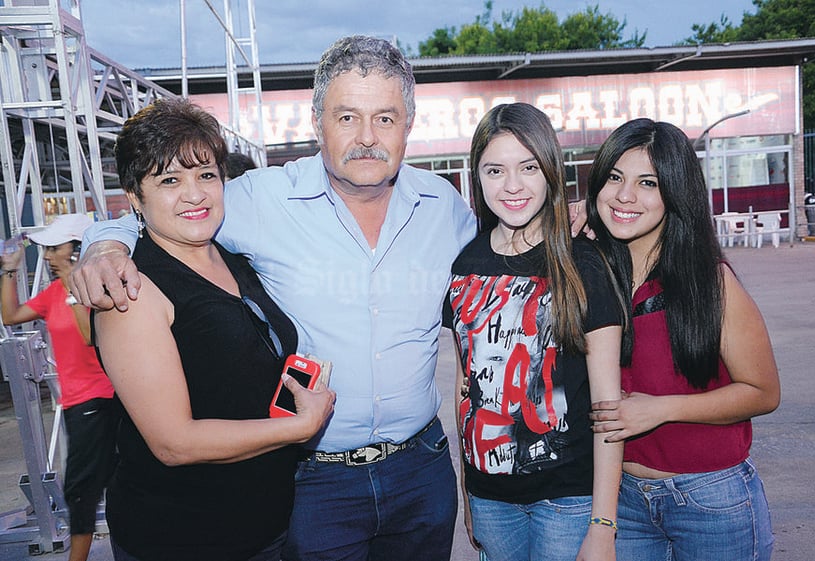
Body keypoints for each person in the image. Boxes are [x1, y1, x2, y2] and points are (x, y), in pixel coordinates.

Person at [69, 36, 476, 561]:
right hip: (314, 480)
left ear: (409, 126)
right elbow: (167, 204)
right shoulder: (260, 199)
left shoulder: (443, 206)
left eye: (386, 118)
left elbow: (508, 250)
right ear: (316, 122)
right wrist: (104, 244)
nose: (367, 138)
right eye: (347, 117)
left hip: (421, 469)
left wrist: (576, 223)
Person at [93, 97, 334, 561]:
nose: (195, 194)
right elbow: (173, 443)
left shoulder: (234, 258)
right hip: (184, 537)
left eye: (206, 175)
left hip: (267, 525)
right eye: (169, 180)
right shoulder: (133, 291)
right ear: (135, 197)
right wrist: (299, 427)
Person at [586, 118, 780, 561]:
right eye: (614, 178)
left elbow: (763, 392)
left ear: (676, 193)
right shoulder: (593, 273)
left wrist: (660, 409)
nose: (625, 195)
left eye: (648, 183)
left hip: (711, 499)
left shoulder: (711, 283)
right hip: (623, 501)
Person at [444, 103, 624, 561]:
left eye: (528, 167)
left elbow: (608, 407)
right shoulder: (465, 266)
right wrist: (470, 494)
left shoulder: (583, 263)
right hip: (490, 501)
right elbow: (469, 390)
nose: (512, 186)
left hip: (567, 499)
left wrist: (603, 525)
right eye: (494, 170)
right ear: (476, 177)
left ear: (550, 171)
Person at [1, 213, 116, 561]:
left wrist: (73, 283)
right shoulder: (54, 292)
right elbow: (11, 315)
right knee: (91, 487)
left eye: (55, 249)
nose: (48, 257)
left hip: (102, 400)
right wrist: (9, 270)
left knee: (81, 490)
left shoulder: (98, 289)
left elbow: (89, 336)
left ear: (77, 249)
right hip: (76, 402)